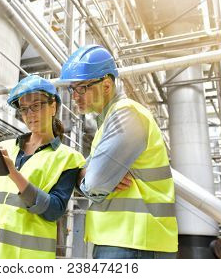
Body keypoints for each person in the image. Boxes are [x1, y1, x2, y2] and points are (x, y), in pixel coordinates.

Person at [58, 45, 178, 259]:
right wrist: (87, 175)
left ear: (106, 85)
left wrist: (91, 176)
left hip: (135, 241)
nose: (75, 96)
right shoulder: (108, 121)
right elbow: (91, 177)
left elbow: (94, 182)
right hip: (124, 239)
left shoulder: (126, 114)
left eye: (82, 88)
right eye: (72, 89)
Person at [0, 75, 86, 259]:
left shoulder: (69, 158)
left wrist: (13, 173)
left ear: (53, 106)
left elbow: (54, 210)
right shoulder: (4, 147)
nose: (30, 114)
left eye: (36, 106)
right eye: (24, 109)